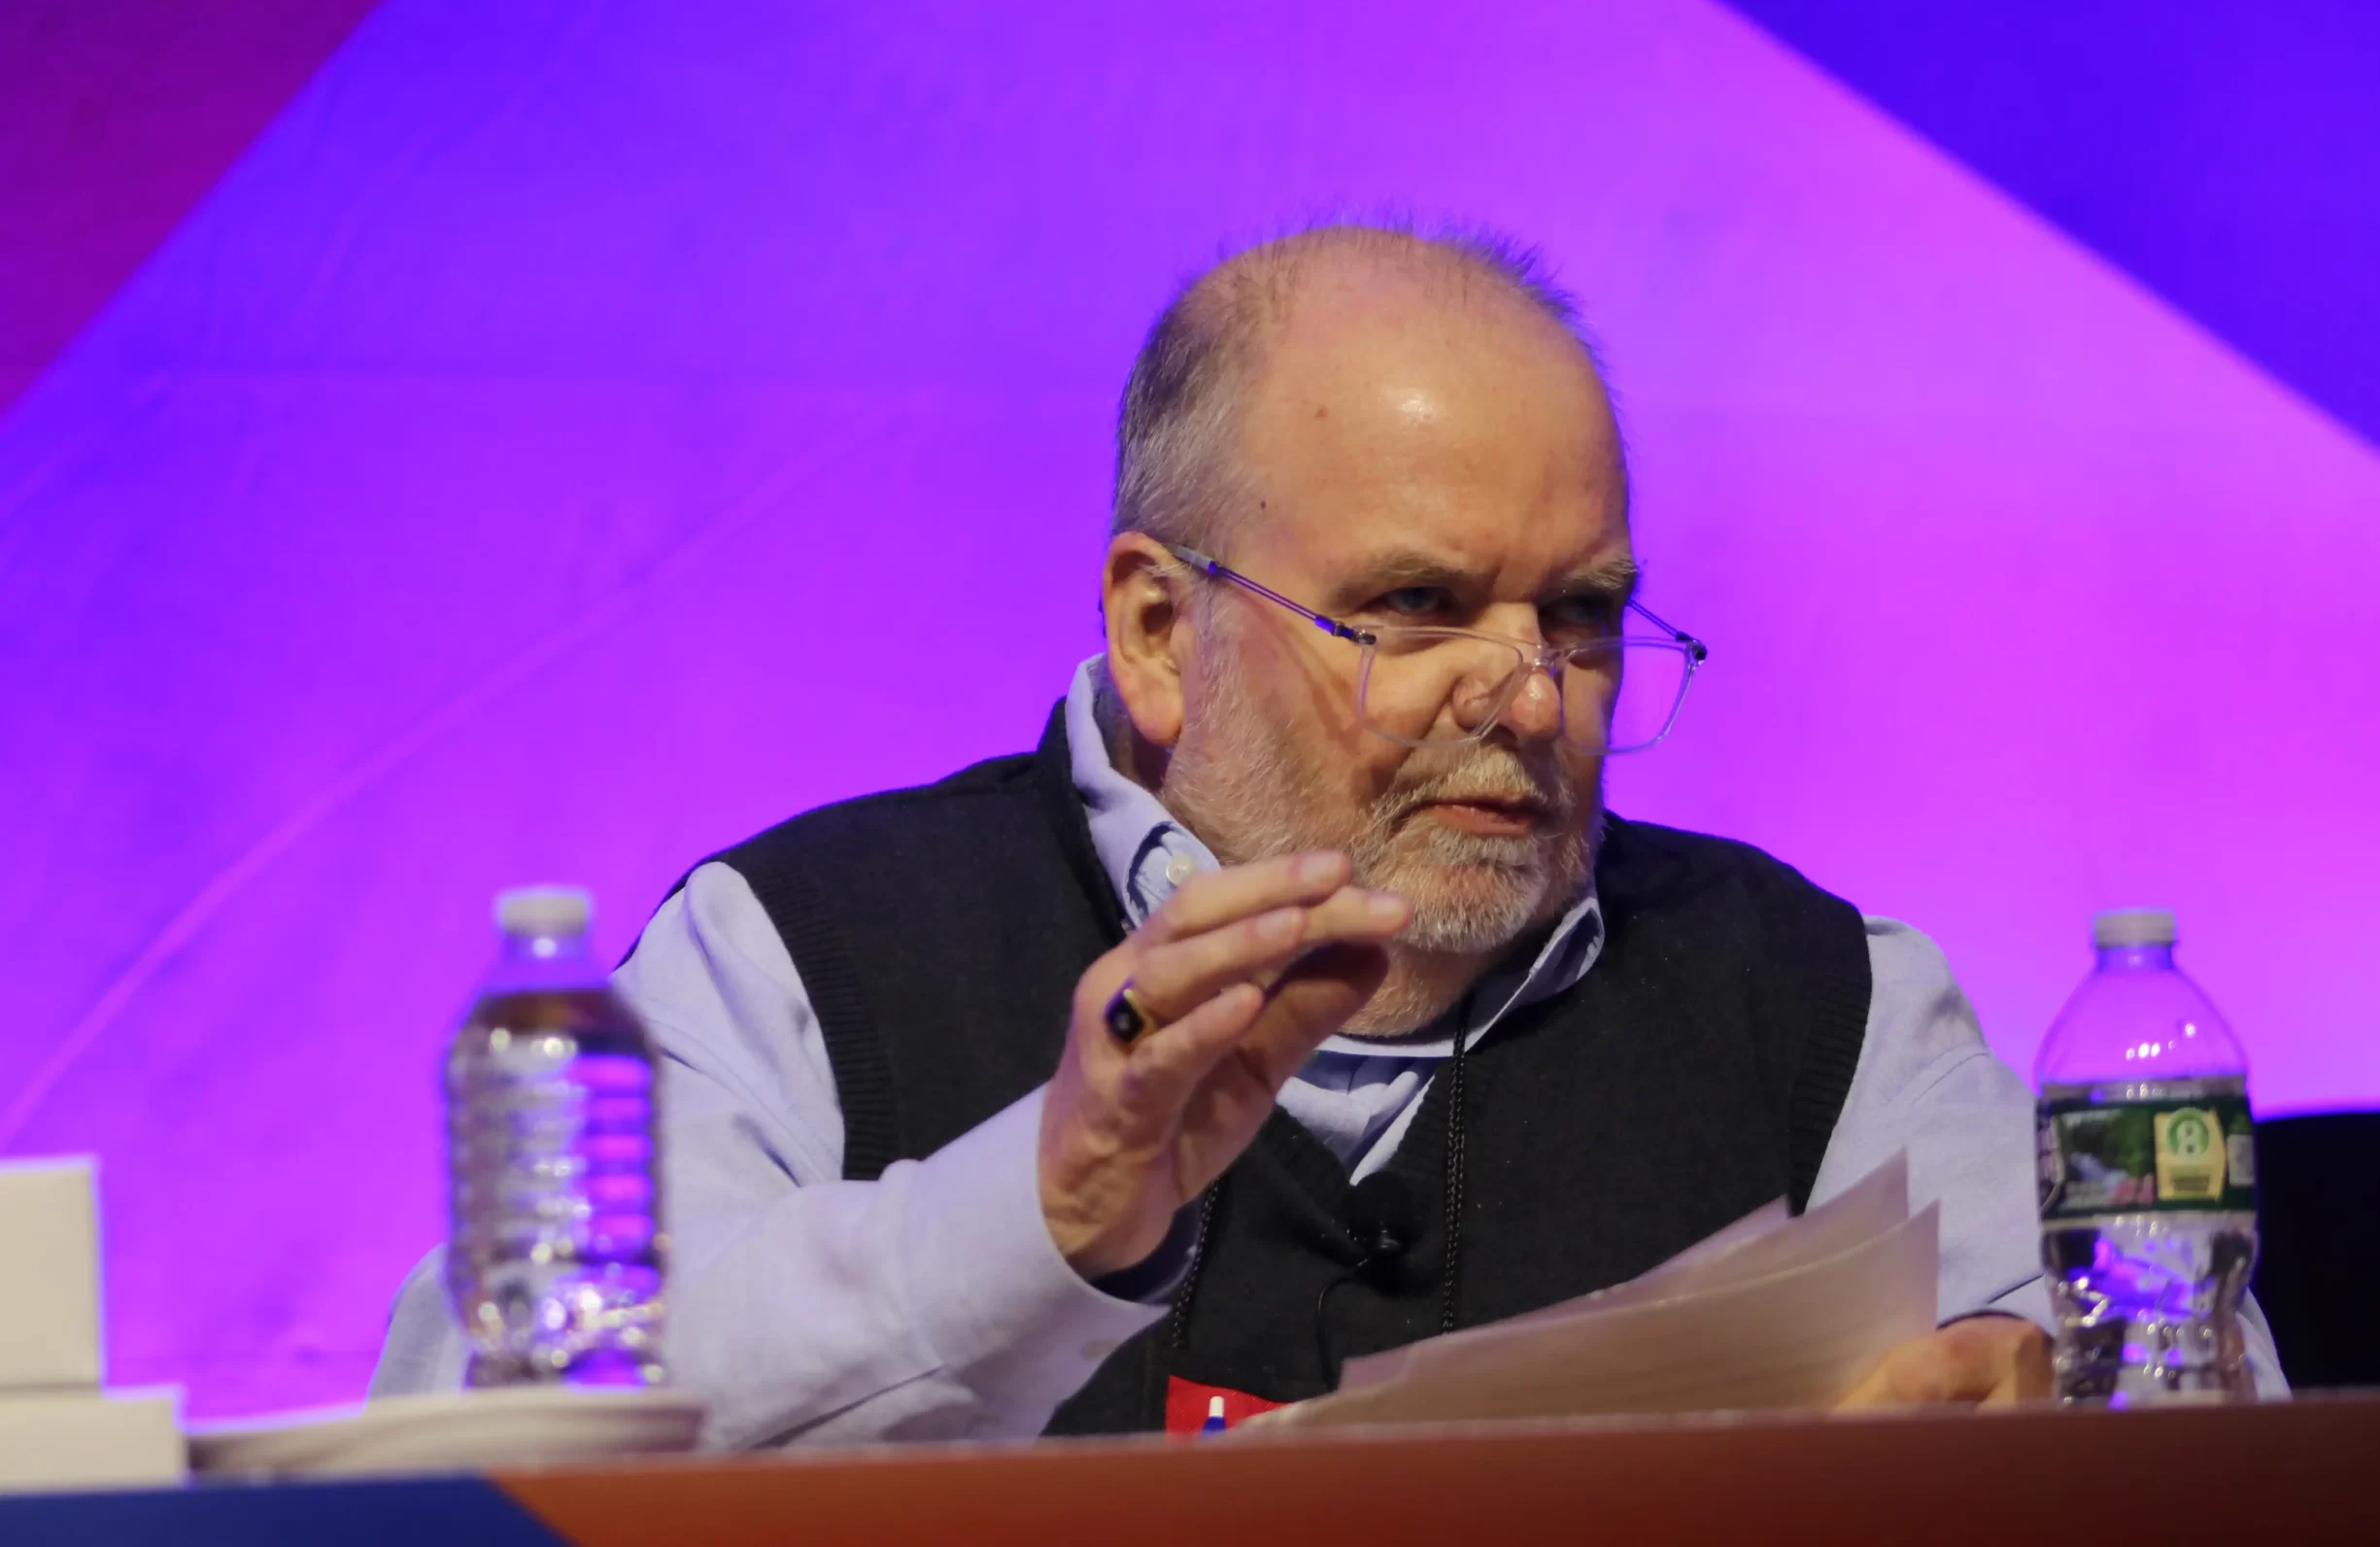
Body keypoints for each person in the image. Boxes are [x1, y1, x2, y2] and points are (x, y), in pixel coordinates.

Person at [373, 222, 2282, 1444]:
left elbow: (2204, 1430)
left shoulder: (1821, 1005)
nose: (1526, 695)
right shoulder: (803, 955)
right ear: (1156, 629)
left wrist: (2029, 1447)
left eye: (1583, 615)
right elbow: (483, 1449)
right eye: (1417, 607)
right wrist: (1042, 1211)